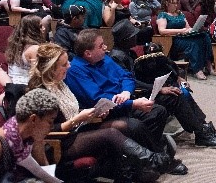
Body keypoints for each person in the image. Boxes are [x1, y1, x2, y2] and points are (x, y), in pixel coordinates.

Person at [28, 43, 170, 182]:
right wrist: (77, 119)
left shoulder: (60, 84)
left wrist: (93, 113)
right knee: (110, 134)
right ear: (51, 69)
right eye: (64, 64)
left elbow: (71, 111)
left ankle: (134, 171)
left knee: (122, 125)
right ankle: (153, 161)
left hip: (77, 129)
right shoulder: (41, 94)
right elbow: (46, 131)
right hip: (60, 141)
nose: (69, 66)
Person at [64, 30, 188, 175]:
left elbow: (127, 77)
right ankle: (161, 160)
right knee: (135, 125)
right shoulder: (76, 70)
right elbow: (98, 98)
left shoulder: (105, 59)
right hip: (102, 114)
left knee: (157, 111)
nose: (105, 47)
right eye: (101, 45)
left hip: (122, 104)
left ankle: (142, 161)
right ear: (88, 53)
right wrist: (132, 103)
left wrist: (126, 92)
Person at [109, 24, 216, 149]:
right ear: (125, 39)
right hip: (134, 96)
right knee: (174, 97)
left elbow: (137, 78)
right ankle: (201, 133)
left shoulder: (129, 53)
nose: (136, 37)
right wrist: (159, 89)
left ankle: (204, 128)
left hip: (142, 91)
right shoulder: (116, 57)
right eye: (133, 35)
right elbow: (131, 82)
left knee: (178, 91)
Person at [156, 0, 212, 80]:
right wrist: (181, 31)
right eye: (173, 3)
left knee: (204, 36)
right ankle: (197, 69)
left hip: (184, 36)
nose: (176, 5)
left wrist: (193, 29)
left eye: (177, 3)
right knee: (194, 43)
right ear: (167, 3)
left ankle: (208, 64)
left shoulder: (180, 14)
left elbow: (188, 27)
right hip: (173, 40)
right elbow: (162, 30)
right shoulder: (163, 15)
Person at [4, 15, 45, 85]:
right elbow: (37, 76)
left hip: (13, 84)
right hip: (26, 87)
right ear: (33, 30)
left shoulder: (15, 44)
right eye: (41, 26)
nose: (44, 28)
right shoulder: (34, 49)